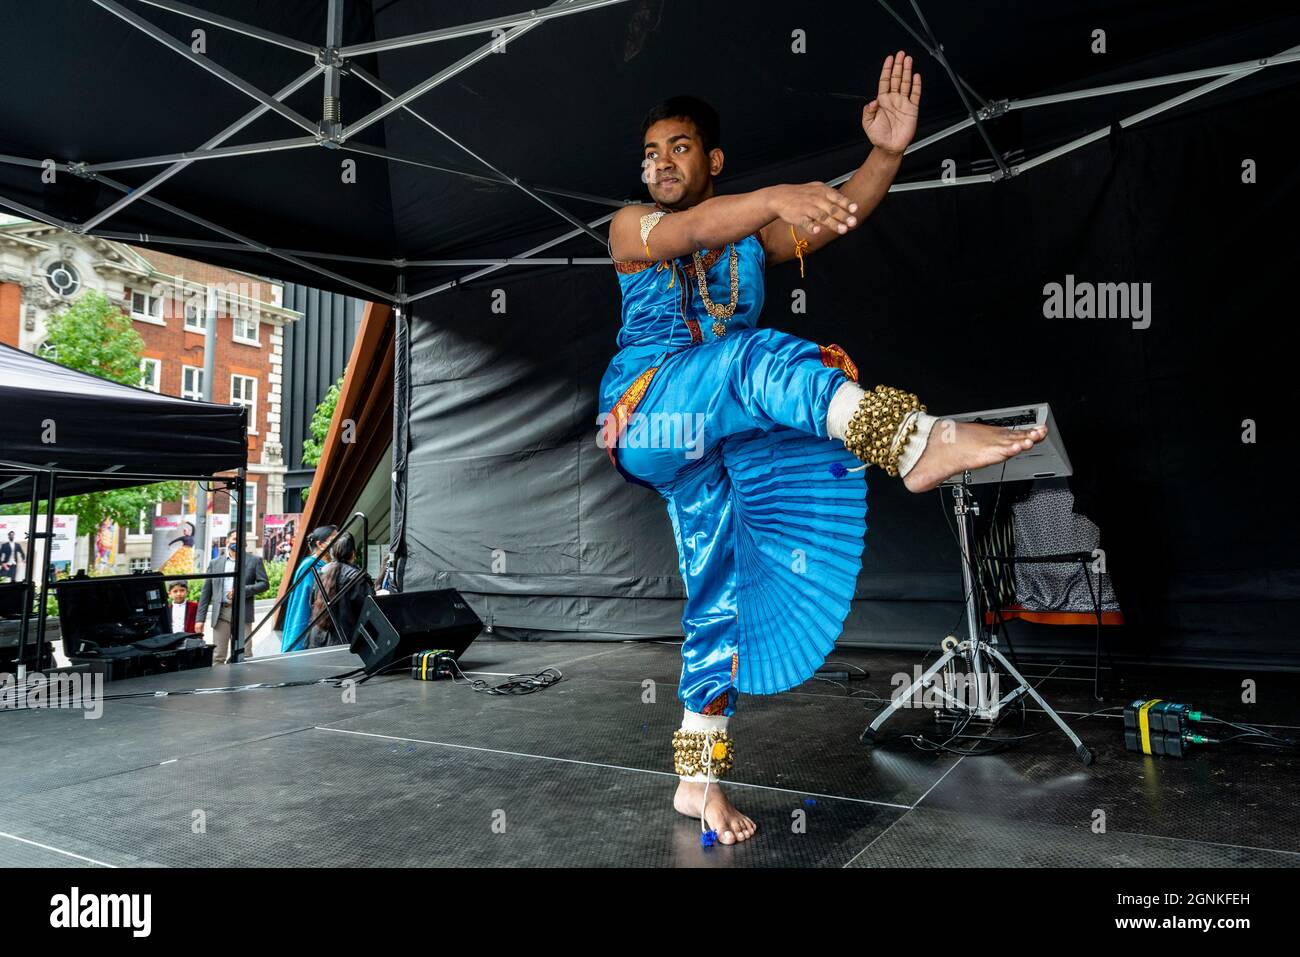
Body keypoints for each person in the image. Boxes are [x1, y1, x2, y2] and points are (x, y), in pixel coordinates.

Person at [599, 52, 1049, 845]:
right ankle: (913, 443)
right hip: (649, 417)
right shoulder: (632, 225)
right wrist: (773, 194)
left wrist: (884, 154)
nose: (659, 162)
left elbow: (837, 210)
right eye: (650, 153)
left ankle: (693, 779)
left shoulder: (753, 240)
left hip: (722, 440)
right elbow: (693, 230)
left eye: (678, 147)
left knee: (721, 596)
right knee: (754, 357)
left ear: (714, 158)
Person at [196, 538, 269, 664]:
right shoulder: (215, 563)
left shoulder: (254, 560)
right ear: (227, 542)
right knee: (218, 656)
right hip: (221, 613)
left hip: (242, 612)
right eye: (234, 539)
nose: (236, 541)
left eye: (239, 539)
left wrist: (241, 590)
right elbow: (206, 592)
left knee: (244, 654)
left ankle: (242, 682)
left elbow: (264, 584)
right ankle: (220, 683)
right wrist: (200, 619)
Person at [307, 532, 373, 649]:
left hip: (318, 641)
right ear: (353, 553)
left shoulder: (321, 573)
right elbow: (370, 612)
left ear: (332, 552)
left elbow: (311, 603)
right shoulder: (357, 578)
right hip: (346, 643)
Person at [281, 524, 336, 653]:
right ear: (320, 544)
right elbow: (303, 603)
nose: (338, 543)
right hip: (307, 624)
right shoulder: (310, 565)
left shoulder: (323, 565)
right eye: (334, 539)